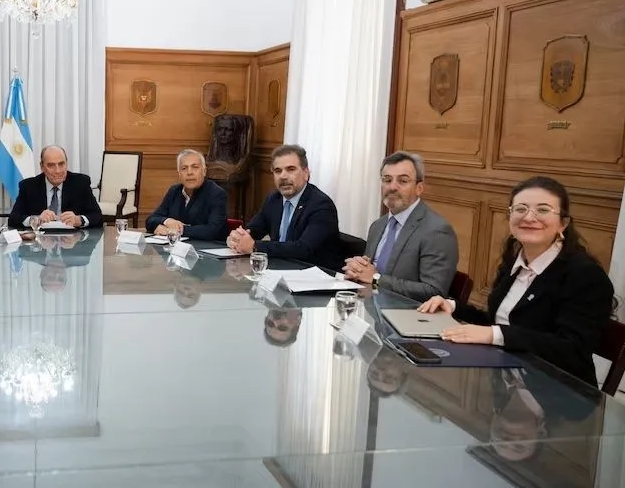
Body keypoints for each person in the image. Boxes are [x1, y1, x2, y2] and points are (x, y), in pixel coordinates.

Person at [418, 176, 615, 386]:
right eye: (520, 209)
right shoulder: (515, 261)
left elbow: (572, 349)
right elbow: (501, 321)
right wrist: (453, 306)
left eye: (543, 210)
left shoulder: (585, 275)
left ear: (563, 223)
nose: (529, 217)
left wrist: (494, 334)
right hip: (507, 379)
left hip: (558, 391)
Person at [342, 151, 458, 301]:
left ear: (419, 188)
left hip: (409, 313)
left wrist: (376, 279)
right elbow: (369, 275)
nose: (392, 187)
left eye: (403, 181)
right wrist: (358, 270)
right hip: (370, 306)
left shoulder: (437, 231)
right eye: (387, 180)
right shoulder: (378, 225)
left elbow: (434, 291)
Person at [227, 144, 341, 268]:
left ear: (306, 173)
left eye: (291, 169)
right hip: (279, 269)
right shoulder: (274, 199)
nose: (283, 176)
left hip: (314, 272)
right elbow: (254, 229)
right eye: (278, 171)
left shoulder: (321, 205)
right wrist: (238, 237)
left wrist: (255, 246)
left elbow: (303, 248)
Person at [7, 145, 102, 229]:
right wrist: (36, 219)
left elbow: (98, 217)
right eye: (51, 165)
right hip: (40, 240)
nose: (57, 171)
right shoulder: (28, 186)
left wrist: (79, 220)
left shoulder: (81, 183)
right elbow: (13, 219)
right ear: (42, 167)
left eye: (61, 164)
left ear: (67, 163)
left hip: (73, 239)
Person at [146, 149, 228, 241]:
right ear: (179, 174)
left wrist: (173, 230)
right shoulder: (174, 191)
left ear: (204, 171)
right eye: (184, 168)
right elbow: (151, 220)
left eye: (195, 167)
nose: (189, 172)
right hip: (178, 246)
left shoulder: (216, 193)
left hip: (208, 247)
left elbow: (213, 230)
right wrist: (167, 221)